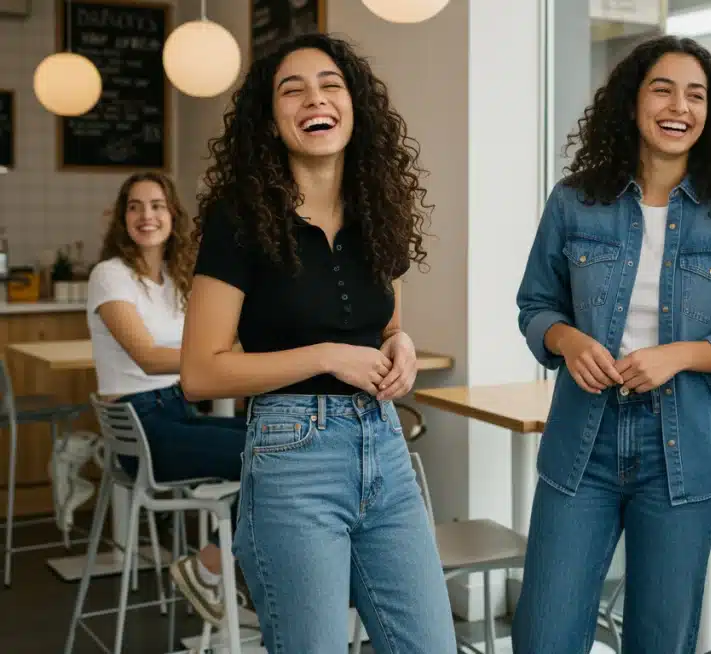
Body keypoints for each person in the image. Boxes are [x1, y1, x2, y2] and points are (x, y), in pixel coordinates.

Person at [179, 33, 454, 652]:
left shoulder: (378, 210)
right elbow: (200, 372)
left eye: (330, 84)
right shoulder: (238, 217)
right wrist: (327, 358)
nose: (314, 98)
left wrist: (402, 345)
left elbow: (385, 325)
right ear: (270, 120)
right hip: (291, 455)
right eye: (291, 89)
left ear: (354, 106)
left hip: (384, 449)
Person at [513, 35, 711, 653]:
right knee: (544, 636)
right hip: (584, 444)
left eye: (696, 95)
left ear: (710, 114)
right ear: (632, 102)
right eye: (663, 88)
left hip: (685, 449)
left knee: (660, 639)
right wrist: (566, 339)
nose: (679, 106)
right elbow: (536, 306)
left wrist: (679, 356)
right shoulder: (574, 201)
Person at [86, 171, 247, 627]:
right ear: (122, 218)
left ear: (172, 215)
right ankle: (210, 567)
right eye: (134, 206)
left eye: (156, 205)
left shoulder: (176, 280)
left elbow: (214, 338)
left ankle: (232, 572)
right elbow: (149, 358)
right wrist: (222, 357)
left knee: (277, 440)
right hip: (142, 429)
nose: (146, 216)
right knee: (263, 453)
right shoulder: (110, 276)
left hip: (175, 410)